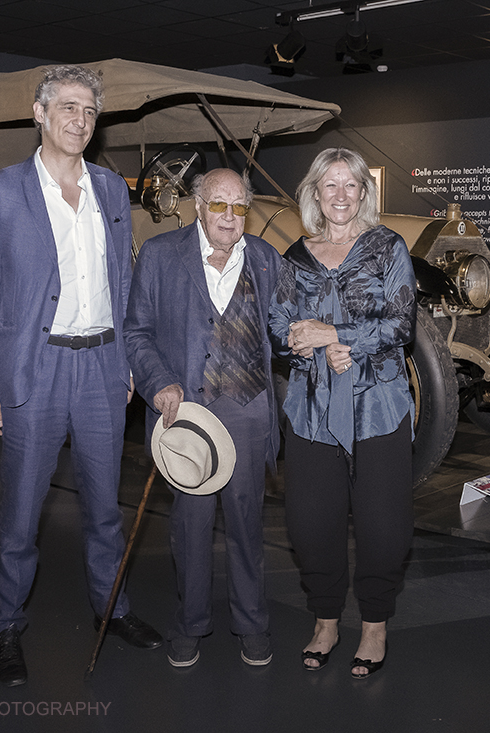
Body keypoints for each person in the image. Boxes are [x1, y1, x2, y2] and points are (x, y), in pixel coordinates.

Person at [0, 65, 162, 688]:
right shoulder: (0, 192)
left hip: (103, 366)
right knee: (22, 515)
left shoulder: (110, 189)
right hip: (35, 368)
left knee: (106, 510)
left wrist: (128, 363)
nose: (80, 120)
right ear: (40, 113)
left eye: (89, 112)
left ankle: (113, 610)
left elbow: (123, 286)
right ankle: (5, 628)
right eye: (68, 108)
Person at [124, 168, 281, 668]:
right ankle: (190, 625)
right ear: (198, 207)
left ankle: (252, 624)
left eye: (239, 207)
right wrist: (157, 382)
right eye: (219, 205)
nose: (230, 217)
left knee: (247, 524)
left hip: (248, 410)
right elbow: (136, 333)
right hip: (186, 413)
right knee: (190, 529)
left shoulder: (263, 258)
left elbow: (291, 319)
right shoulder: (159, 255)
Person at [269, 147, 416, 679]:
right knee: (311, 524)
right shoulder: (295, 257)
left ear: (364, 193)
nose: (339, 195)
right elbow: (280, 327)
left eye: (350, 185)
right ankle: (326, 620)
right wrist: (300, 343)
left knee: (383, 525)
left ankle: (374, 625)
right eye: (328, 185)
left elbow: (401, 326)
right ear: (313, 194)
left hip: (377, 408)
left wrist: (337, 335)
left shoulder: (387, 248)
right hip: (310, 412)